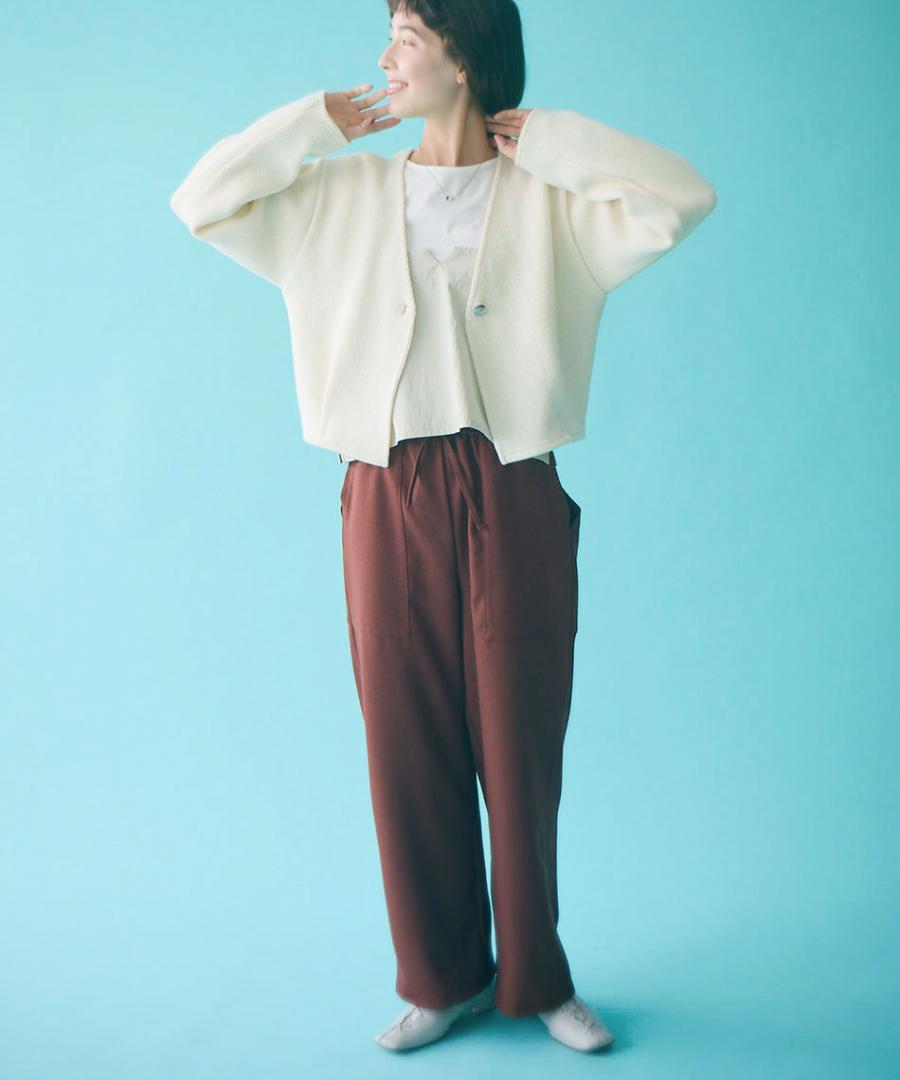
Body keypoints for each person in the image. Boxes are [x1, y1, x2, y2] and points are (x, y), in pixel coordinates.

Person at [170, 0, 717, 1055]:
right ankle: (441, 976)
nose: (385, 58)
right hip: (385, 487)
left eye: (408, 38)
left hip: (513, 485)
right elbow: (202, 201)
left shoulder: (552, 200)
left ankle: (538, 977)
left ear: (465, 60)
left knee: (521, 740)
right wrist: (312, 126)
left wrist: (553, 139)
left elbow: (681, 196)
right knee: (403, 738)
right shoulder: (338, 198)